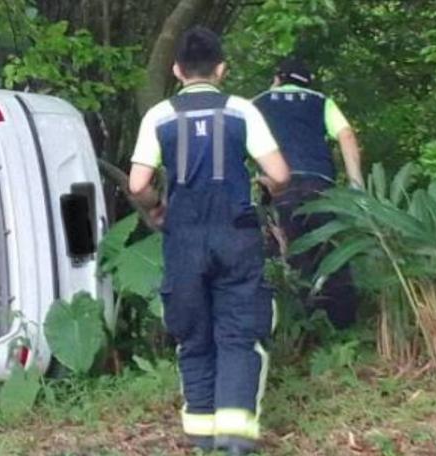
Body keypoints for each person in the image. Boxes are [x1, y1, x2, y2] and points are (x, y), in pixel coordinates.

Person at [128, 26, 290, 455]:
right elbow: (280, 174)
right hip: (236, 236)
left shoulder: (159, 116)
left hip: (183, 239)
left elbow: (138, 183)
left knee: (193, 333)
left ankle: (201, 435)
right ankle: (235, 437)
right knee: (239, 332)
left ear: (177, 70)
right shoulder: (242, 111)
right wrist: (266, 187)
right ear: (221, 69)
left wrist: (157, 209)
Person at [253, 57, 363, 329]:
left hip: (280, 186)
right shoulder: (320, 101)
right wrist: (356, 184)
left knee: (290, 255)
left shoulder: (257, 103)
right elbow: (346, 135)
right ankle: (344, 329)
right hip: (320, 184)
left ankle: (303, 329)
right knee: (332, 253)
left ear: (277, 78)